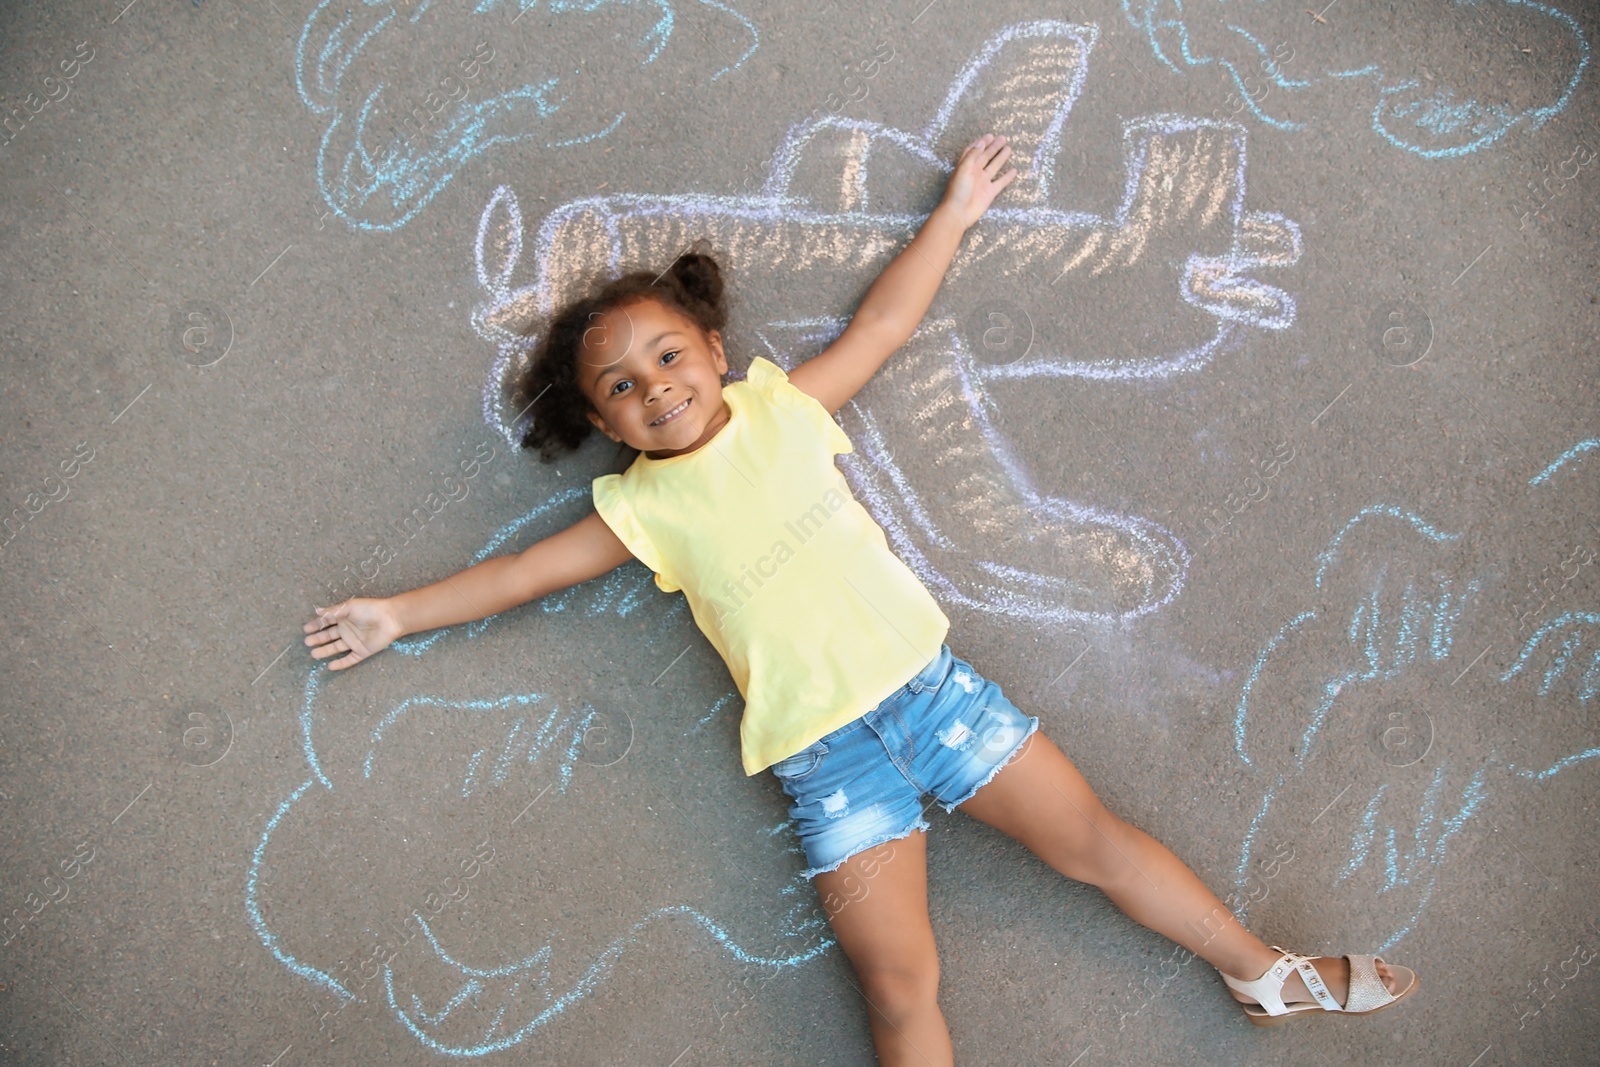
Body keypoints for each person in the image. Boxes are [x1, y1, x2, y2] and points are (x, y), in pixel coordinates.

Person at [304, 133, 1418, 1064]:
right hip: (828, 763)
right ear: (603, 424)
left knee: (1094, 840)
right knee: (899, 984)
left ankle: (1261, 971)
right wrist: (396, 612)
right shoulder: (639, 509)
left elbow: (881, 328)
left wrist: (955, 214)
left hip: (940, 701)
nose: (655, 387)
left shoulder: (782, 412)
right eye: (622, 385)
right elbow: (520, 574)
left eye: (667, 354)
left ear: (715, 348)